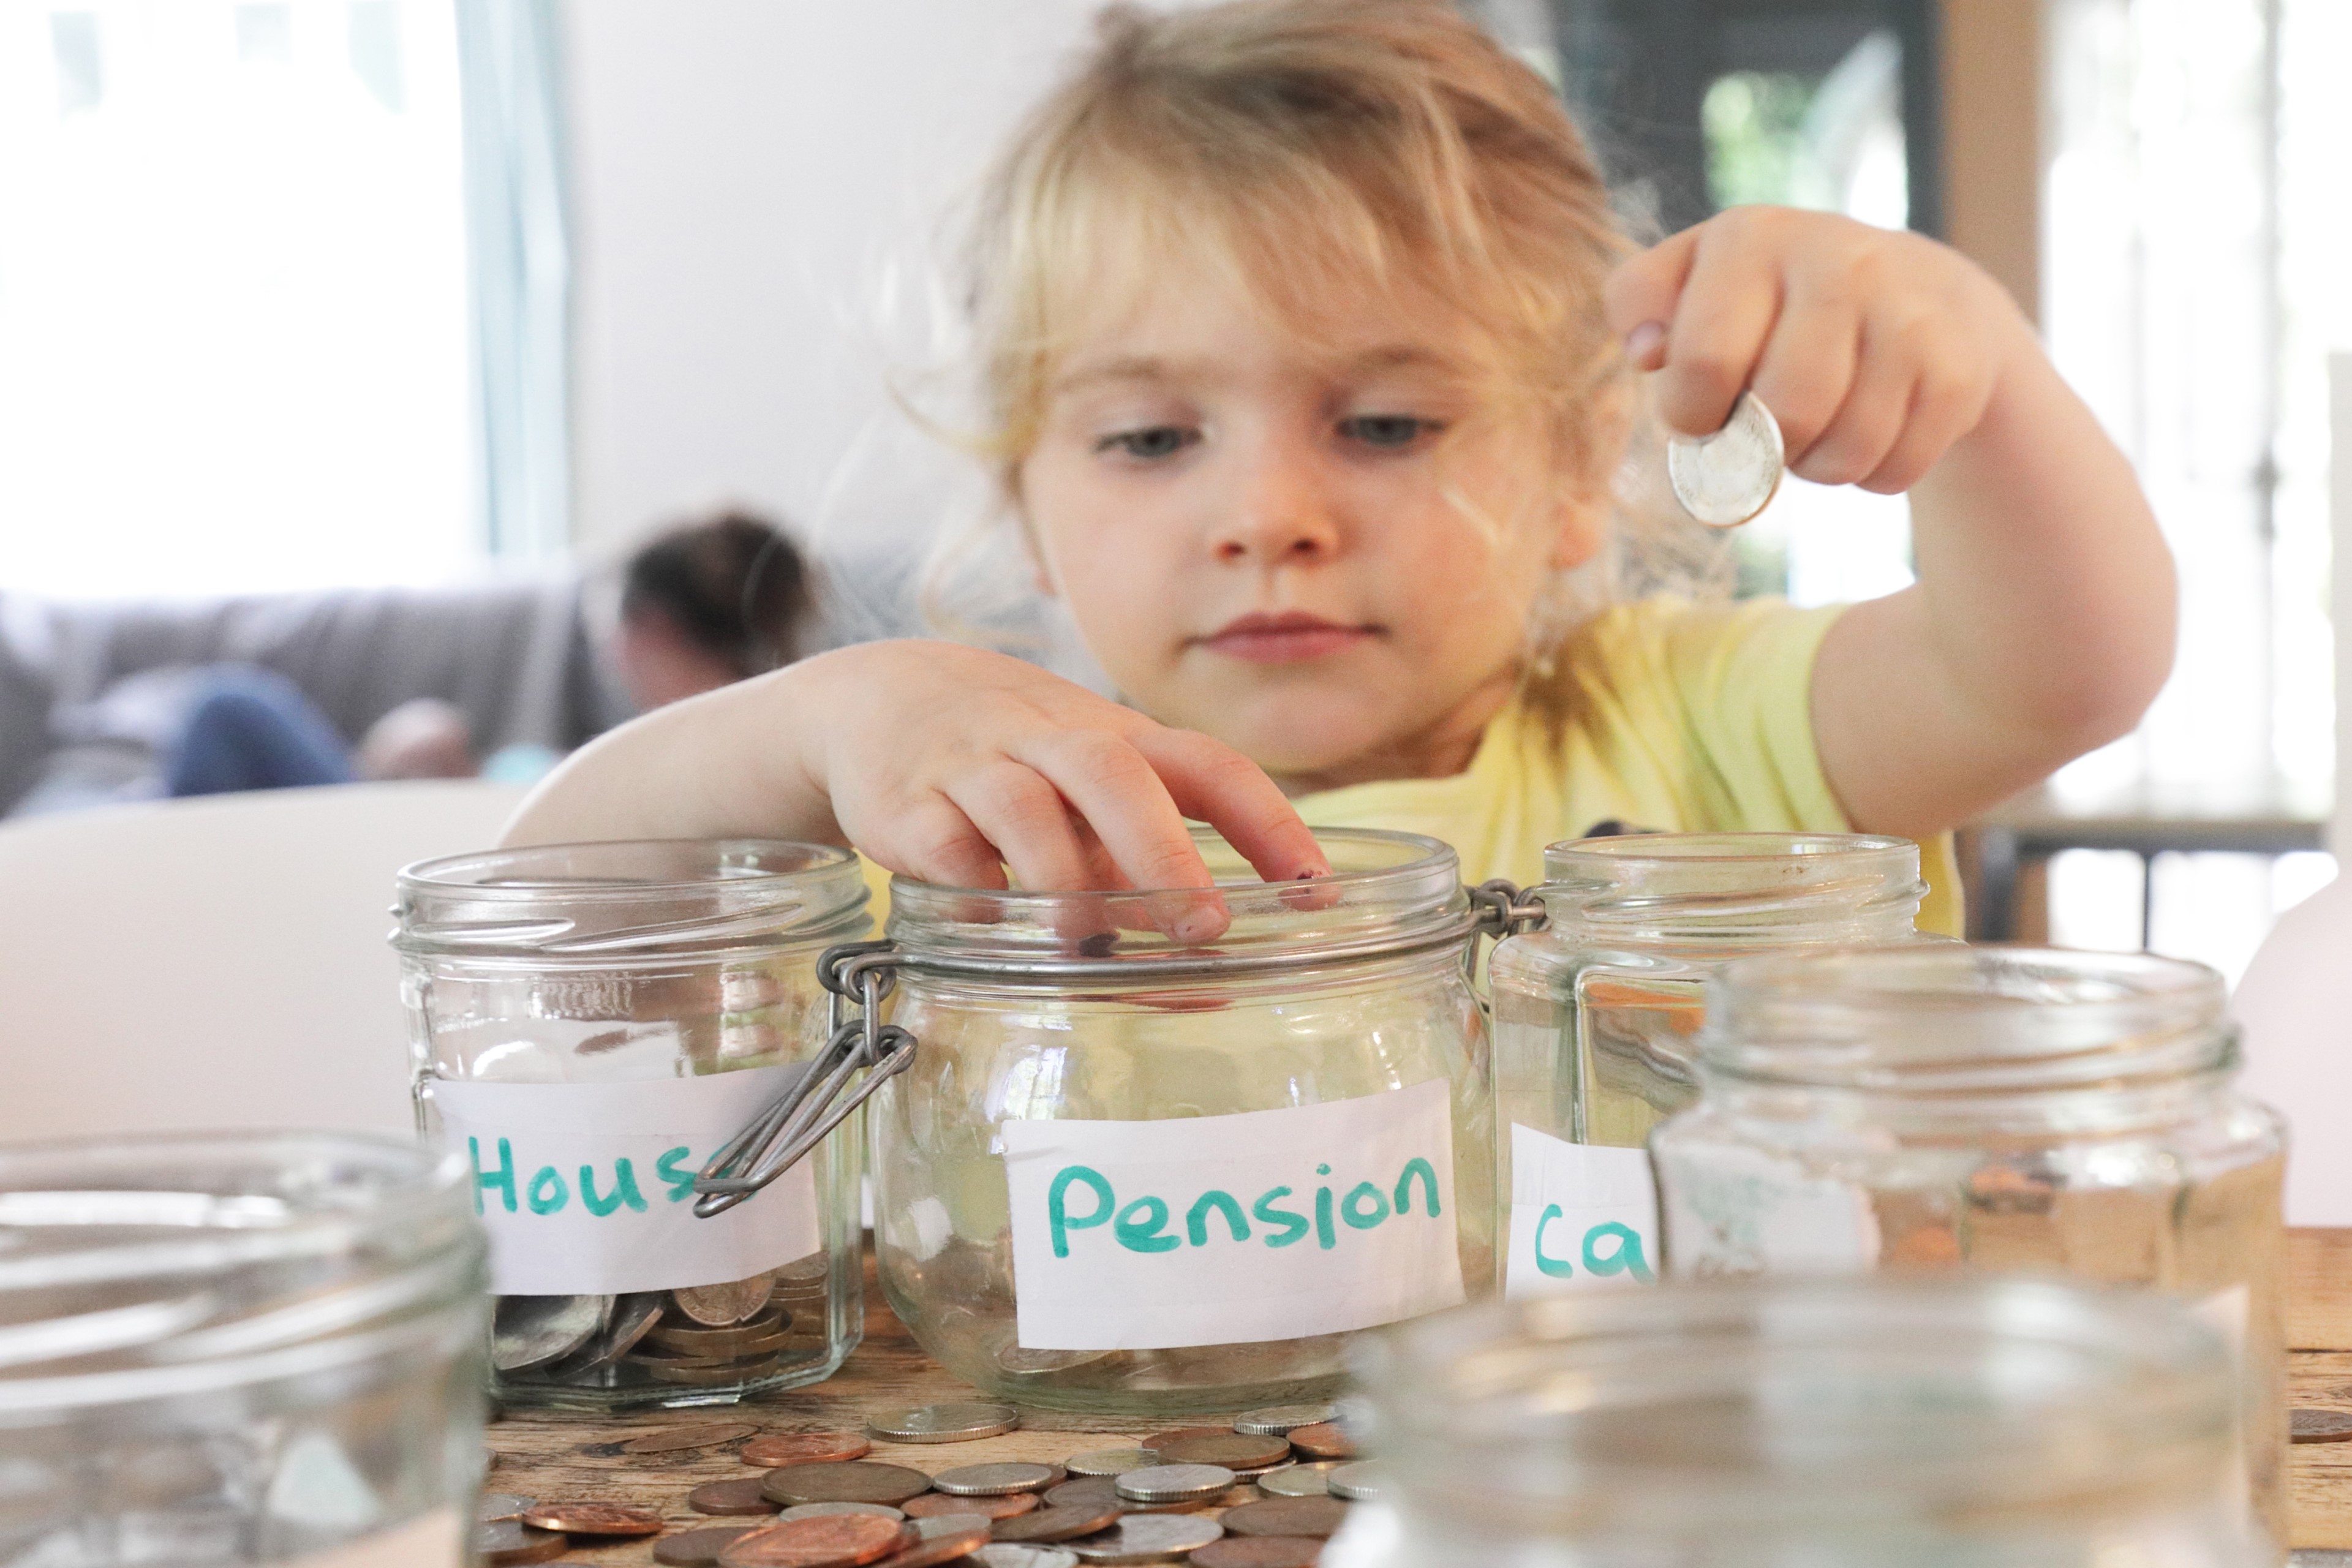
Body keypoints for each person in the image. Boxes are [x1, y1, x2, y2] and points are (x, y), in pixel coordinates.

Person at [505, 0, 2173, 943]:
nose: (1267, 520)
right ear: (1026, 498)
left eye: (1384, 424)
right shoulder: (988, 825)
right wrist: (812, 722)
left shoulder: (1693, 726)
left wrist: (1985, 373)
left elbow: (2060, 672)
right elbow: (548, 912)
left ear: (1581, 467)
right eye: (1151, 439)